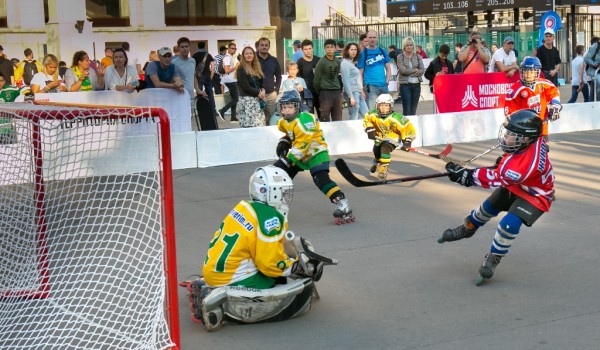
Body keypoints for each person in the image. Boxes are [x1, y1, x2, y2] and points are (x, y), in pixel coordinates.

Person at [188, 165, 323, 329]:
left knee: (277, 274)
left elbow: (268, 246)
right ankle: (216, 299)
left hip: (215, 271)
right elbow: (270, 264)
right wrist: (296, 268)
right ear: (270, 192)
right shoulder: (269, 218)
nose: (285, 197)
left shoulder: (245, 206)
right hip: (233, 277)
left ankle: (207, 285)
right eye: (282, 191)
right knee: (277, 282)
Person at [439, 110, 554, 285]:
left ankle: (494, 257)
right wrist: (506, 159)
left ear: (525, 139)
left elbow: (495, 178)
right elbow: (510, 165)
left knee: (509, 225)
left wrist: (466, 177)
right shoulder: (533, 140)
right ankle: (468, 227)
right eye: (507, 132)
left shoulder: (524, 167)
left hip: (536, 194)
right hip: (516, 184)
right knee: (485, 209)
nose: (506, 136)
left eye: (511, 135)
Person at [273, 89, 354, 224]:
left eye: (290, 107)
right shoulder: (283, 122)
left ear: (297, 107)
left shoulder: (305, 120)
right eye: (284, 107)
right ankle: (276, 205)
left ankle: (342, 203)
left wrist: (287, 160)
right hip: (301, 155)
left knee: (320, 179)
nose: (287, 110)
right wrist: (285, 141)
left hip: (316, 153)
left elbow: (303, 144)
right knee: (282, 175)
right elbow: (292, 134)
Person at [504, 56, 561, 145]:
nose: (528, 74)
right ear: (522, 71)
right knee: (522, 152)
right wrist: (517, 125)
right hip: (524, 129)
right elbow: (509, 111)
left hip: (542, 127)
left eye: (531, 72)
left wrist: (555, 107)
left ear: (537, 72)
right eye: (526, 71)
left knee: (543, 151)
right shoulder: (515, 90)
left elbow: (554, 93)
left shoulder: (544, 84)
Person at [363, 93, 416, 180]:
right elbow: (367, 119)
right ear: (377, 106)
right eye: (381, 105)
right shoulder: (373, 114)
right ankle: (377, 162)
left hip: (392, 139)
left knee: (385, 148)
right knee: (376, 150)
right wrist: (369, 129)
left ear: (391, 106)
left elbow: (408, 129)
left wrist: (407, 141)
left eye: (386, 106)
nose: (383, 108)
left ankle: (384, 167)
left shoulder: (397, 118)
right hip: (380, 138)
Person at [357, 30, 392, 110]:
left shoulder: (383, 51)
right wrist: (361, 88)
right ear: (367, 39)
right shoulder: (363, 53)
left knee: (385, 113)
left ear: (377, 38)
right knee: (373, 113)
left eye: (374, 37)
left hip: (383, 86)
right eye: (370, 37)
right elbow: (360, 73)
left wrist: (386, 82)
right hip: (370, 87)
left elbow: (388, 69)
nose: (372, 39)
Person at [236, 46, 266, 128]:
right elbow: (245, 86)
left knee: (259, 125)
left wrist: (263, 90)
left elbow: (261, 82)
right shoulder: (241, 68)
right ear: (243, 56)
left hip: (257, 100)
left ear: (254, 55)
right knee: (250, 126)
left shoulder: (256, 67)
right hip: (247, 101)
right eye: (246, 54)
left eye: (250, 53)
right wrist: (258, 93)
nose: (249, 55)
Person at [313, 39, 343, 122]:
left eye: (331, 47)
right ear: (324, 49)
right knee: (325, 117)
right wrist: (321, 91)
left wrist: (340, 89)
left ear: (335, 48)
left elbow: (340, 76)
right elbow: (316, 80)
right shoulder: (321, 62)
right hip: (325, 92)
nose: (329, 49)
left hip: (337, 92)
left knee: (338, 118)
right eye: (327, 47)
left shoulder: (337, 61)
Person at [396, 36, 424, 116]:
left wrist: (409, 71)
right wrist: (415, 70)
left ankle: (412, 127)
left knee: (413, 110)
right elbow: (403, 71)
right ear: (404, 46)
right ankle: (405, 127)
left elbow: (422, 71)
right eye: (407, 45)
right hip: (405, 86)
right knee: (406, 110)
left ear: (413, 46)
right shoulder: (400, 57)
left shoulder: (418, 56)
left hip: (417, 86)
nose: (409, 47)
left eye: (411, 45)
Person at [256, 37, 282, 124]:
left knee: (270, 118)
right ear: (258, 46)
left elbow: (278, 76)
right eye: (262, 45)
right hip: (256, 94)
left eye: (266, 45)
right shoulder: (253, 60)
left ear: (269, 46)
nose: (264, 47)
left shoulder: (274, 60)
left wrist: (276, 90)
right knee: (258, 118)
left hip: (271, 95)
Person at [340, 42, 368, 120]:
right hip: (352, 92)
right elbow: (345, 81)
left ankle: (359, 130)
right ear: (347, 51)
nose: (353, 51)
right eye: (351, 49)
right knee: (354, 116)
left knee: (366, 115)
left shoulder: (351, 63)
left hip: (358, 91)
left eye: (355, 50)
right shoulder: (345, 63)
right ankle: (351, 131)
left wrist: (361, 91)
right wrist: (350, 96)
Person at [173, 37, 202, 111]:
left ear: (189, 47)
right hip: (179, 95)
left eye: (186, 46)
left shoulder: (193, 61)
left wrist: (198, 90)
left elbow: (194, 76)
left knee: (190, 119)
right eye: (182, 47)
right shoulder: (174, 63)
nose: (184, 49)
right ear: (178, 48)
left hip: (191, 95)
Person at [296, 39, 321, 118]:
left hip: (319, 93)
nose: (308, 51)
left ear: (313, 48)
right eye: (305, 49)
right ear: (302, 50)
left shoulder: (319, 60)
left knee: (323, 117)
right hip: (307, 94)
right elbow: (295, 77)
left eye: (310, 49)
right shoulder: (300, 62)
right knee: (309, 117)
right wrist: (298, 86)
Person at [218, 42, 240, 123]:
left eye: (235, 48)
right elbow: (227, 70)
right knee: (236, 98)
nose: (234, 50)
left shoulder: (230, 57)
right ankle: (222, 111)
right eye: (232, 48)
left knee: (234, 98)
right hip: (230, 80)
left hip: (230, 80)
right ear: (229, 49)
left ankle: (233, 117)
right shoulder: (227, 58)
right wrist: (236, 67)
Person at [584, 36, 600, 101]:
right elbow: (586, 58)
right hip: (595, 71)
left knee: (594, 90)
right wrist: (595, 64)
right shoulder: (596, 46)